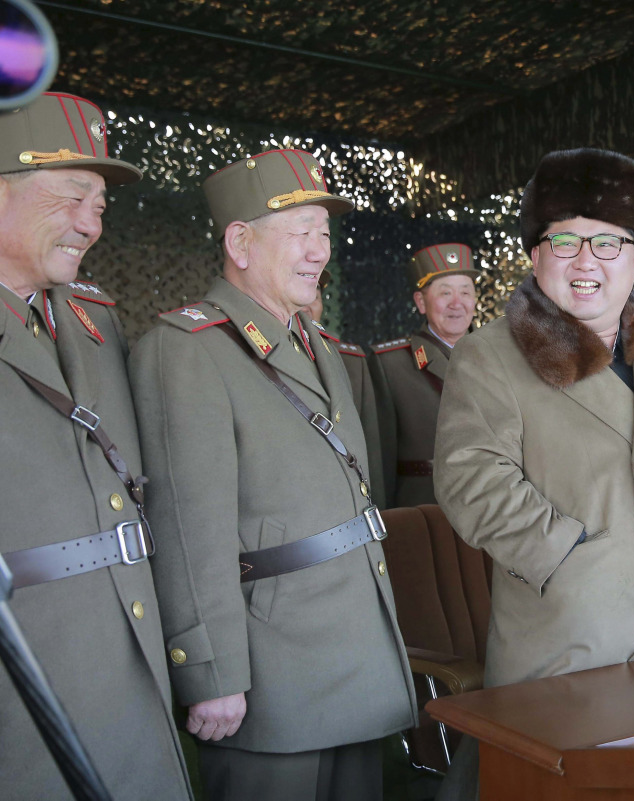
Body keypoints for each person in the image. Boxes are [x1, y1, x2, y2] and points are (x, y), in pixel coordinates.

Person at [129, 149, 417, 801]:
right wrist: (211, 669)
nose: (320, 249)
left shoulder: (315, 343)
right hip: (271, 665)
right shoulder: (187, 350)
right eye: (301, 232)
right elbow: (188, 526)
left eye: (324, 232)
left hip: (353, 647)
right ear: (240, 241)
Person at [434, 148, 634, 688]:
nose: (585, 261)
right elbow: (470, 479)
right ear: (536, 255)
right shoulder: (491, 354)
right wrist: (566, 556)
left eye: (607, 243)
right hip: (582, 633)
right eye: (564, 241)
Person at [0, 92, 192, 799]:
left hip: (127, 662)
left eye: (101, 204)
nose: (91, 223)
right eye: (73, 196)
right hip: (28, 682)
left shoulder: (93, 319)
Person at [373, 243, 478, 507]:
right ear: (421, 302)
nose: (457, 303)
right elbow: (379, 456)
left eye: (465, 292)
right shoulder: (390, 365)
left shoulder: (501, 358)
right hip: (427, 510)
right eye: (445, 293)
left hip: (495, 511)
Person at [304, 270, 392, 502]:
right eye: (301, 293)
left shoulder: (352, 362)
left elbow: (371, 448)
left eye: (315, 296)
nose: (306, 305)